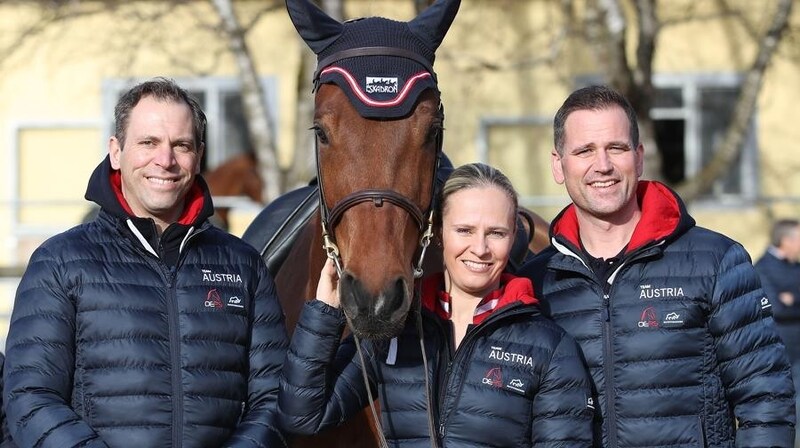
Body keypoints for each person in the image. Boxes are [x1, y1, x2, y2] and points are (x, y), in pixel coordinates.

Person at [3, 78, 288, 448]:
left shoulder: (243, 266)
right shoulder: (60, 263)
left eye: (181, 145)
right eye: (148, 142)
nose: (165, 160)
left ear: (197, 156)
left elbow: (273, 400)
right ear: (116, 152)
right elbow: (29, 398)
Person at [519, 84, 796, 447]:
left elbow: (767, 397)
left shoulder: (716, 261)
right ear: (559, 164)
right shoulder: (536, 283)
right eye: (584, 150)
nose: (602, 165)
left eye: (616, 148)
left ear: (639, 156)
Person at [278, 163, 594, 447]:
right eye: (464, 230)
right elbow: (303, 415)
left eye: (496, 233)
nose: (480, 248)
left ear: (513, 238)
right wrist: (325, 314)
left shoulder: (551, 349)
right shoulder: (395, 333)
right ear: (439, 233)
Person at [755, 218, 800, 448]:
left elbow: (788, 304)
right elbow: (776, 307)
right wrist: (787, 301)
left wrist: (792, 300)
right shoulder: (762, 267)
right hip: (780, 350)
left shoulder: (796, 267)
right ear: (786, 240)